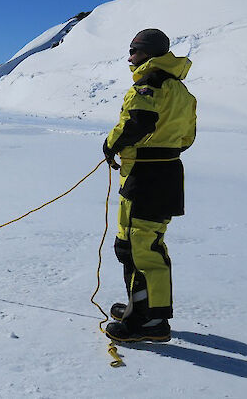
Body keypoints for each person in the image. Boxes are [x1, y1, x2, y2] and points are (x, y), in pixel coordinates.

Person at [102, 29, 197, 342]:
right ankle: (140, 308)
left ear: (149, 52)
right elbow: (186, 138)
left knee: (140, 248)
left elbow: (139, 122)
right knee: (139, 245)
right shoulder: (181, 91)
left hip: (146, 177)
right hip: (165, 173)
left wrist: (111, 145)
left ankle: (150, 322)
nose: (129, 57)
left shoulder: (150, 83)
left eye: (134, 51)